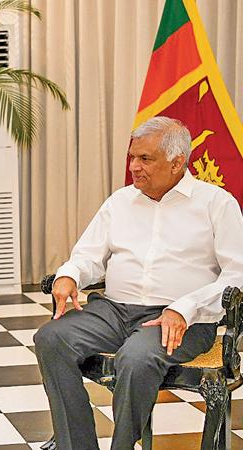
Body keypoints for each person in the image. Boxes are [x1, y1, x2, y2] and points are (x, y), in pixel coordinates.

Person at [34, 116, 243, 450]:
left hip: (180, 320)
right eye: (132, 157)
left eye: (145, 159)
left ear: (177, 162)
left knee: (137, 358)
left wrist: (185, 308)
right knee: (51, 337)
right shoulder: (120, 202)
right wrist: (70, 274)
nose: (134, 166)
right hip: (114, 311)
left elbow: (237, 276)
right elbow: (88, 255)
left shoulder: (216, 204)